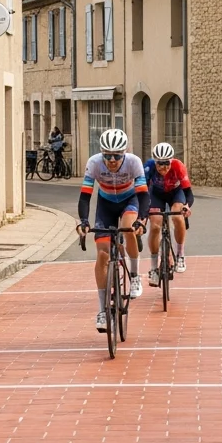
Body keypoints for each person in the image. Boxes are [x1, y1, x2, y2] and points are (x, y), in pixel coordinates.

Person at [77, 128, 151, 332]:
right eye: (107, 155)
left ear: (124, 153)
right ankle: (102, 310)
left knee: (127, 228)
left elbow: (144, 195)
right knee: (102, 254)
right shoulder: (93, 163)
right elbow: (85, 196)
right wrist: (83, 220)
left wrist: (142, 220)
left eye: (116, 156)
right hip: (106, 204)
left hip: (130, 199)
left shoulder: (133, 162)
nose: (111, 160)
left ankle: (134, 276)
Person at [144, 141, 194, 282]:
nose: (163, 167)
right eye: (160, 163)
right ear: (155, 162)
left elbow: (188, 193)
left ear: (171, 161)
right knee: (155, 226)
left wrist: (187, 206)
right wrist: (143, 211)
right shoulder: (148, 166)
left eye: (166, 163)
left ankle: (180, 255)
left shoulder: (178, 166)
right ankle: (154, 267)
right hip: (157, 194)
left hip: (175, 193)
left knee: (178, 216)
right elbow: (142, 191)